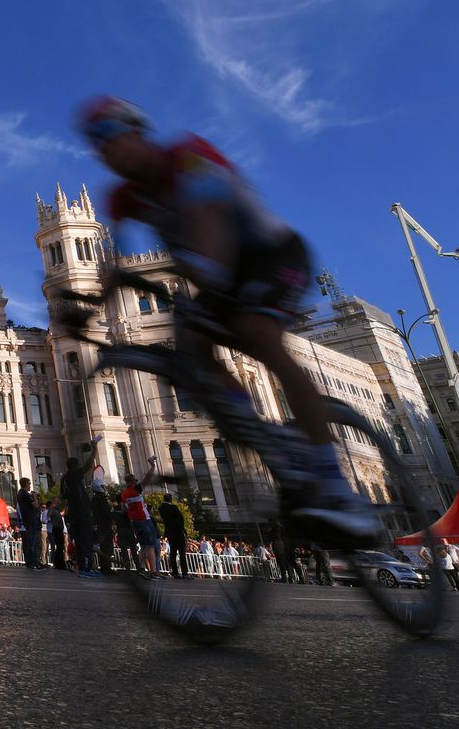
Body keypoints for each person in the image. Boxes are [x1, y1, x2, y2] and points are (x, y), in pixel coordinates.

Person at [76, 97, 379, 545]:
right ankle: (251, 423)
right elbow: (114, 267)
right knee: (192, 346)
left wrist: (205, 277)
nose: (110, 151)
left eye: (113, 137)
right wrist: (85, 309)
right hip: (216, 272)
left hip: (271, 256)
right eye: (99, 145)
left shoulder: (188, 156)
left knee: (258, 335)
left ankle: (332, 478)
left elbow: (210, 220)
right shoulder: (122, 199)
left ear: (136, 131)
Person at [60, 437, 103, 579]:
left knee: (79, 540)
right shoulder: (73, 475)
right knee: (85, 539)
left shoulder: (64, 478)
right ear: (74, 466)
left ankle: (84, 566)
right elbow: (88, 466)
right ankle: (86, 568)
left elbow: (62, 495)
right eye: (77, 465)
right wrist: (94, 449)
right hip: (80, 511)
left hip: (74, 512)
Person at [120, 458, 161, 577]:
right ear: (133, 481)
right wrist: (152, 465)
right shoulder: (136, 489)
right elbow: (148, 477)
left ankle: (141, 568)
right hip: (144, 520)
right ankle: (153, 572)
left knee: (143, 546)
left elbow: (124, 508)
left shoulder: (124, 494)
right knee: (150, 546)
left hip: (134, 521)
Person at [158, 492, 189, 578]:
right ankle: (184, 572)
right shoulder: (173, 507)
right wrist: (182, 529)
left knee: (173, 552)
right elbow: (180, 519)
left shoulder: (161, 508)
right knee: (182, 552)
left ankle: (175, 572)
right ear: (170, 499)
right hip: (178, 532)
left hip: (169, 532)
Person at [17, 476, 43, 570]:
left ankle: (30, 562)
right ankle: (33, 563)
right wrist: (35, 498)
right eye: (29, 484)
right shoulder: (25, 494)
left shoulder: (20, 494)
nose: (30, 486)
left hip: (27, 520)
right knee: (32, 542)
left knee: (30, 542)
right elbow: (35, 505)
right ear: (26, 484)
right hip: (31, 520)